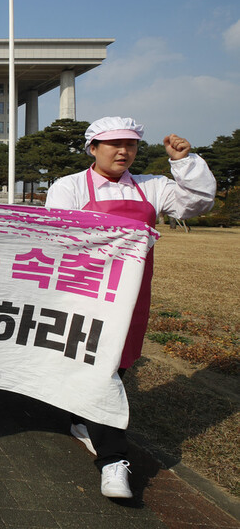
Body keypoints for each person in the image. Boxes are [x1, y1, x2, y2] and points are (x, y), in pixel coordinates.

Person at [45, 116, 215, 499]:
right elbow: (59, 235)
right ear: (92, 148)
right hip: (84, 291)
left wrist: (184, 163)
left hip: (133, 294)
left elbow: (198, 204)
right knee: (100, 367)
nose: (124, 151)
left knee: (118, 363)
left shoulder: (153, 186)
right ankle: (113, 460)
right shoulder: (68, 186)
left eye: (132, 144)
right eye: (114, 144)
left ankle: (80, 419)